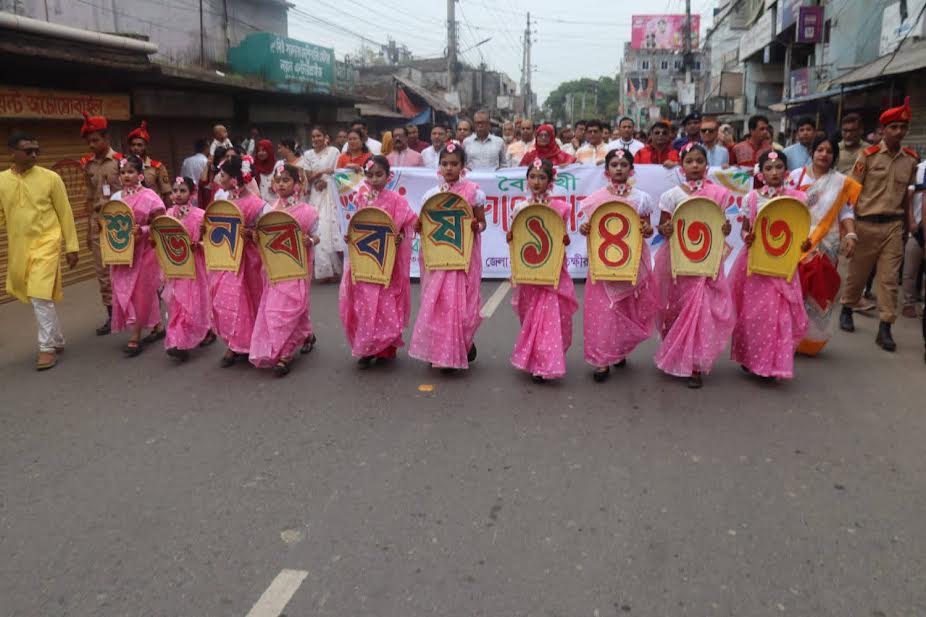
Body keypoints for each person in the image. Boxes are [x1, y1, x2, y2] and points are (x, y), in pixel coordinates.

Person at [839, 97, 920, 352]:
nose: (899, 132)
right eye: (894, 127)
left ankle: (885, 327)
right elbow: (851, 193)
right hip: (865, 224)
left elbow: (908, 196)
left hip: (893, 226)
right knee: (858, 275)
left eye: (903, 127)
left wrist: (909, 225)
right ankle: (847, 307)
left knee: (888, 279)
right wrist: (849, 230)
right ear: (883, 130)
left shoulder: (910, 159)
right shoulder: (868, 156)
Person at [654, 143, 735, 388]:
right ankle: (677, 352)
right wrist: (665, 229)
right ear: (682, 166)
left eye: (700, 161)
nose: (695, 166)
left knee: (700, 310)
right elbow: (662, 227)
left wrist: (726, 230)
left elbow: (722, 226)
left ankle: (695, 366)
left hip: (707, 261)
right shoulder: (672, 195)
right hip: (679, 260)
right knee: (677, 309)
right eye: (689, 161)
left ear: (706, 164)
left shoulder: (718, 194)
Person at [0, 132, 79, 370]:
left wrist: (71, 246)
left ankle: (46, 348)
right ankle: (57, 339)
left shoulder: (51, 178)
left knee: (39, 296)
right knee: (39, 297)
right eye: (28, 151)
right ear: (12, 152)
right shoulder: (2, 180)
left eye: (37, 150)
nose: (34, 154)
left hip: (47, 243)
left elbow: (65, 213)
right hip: (20, 248)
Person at [577, 148, 658, 382]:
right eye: (614, 164)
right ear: (607, 170)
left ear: (631, 169)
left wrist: (647, 229)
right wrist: (584, 228)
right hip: (603, 263)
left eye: (624, 164)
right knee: (603, 311)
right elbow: (588, 227)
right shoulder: (595, 200)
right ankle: (601, 361)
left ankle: (618, 348)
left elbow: (649, 228)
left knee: (625, 309)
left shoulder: (641, 198)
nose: (619, 168)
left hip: (631, 262)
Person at [729, 150, 810, 381]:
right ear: (761, 173)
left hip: (783, 266)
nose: (774, 172)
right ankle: (750, 357)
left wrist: (806, 243)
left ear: (786, 171)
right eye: (768, 168)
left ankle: (773, 363)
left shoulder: (798, 199)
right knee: (754, 314)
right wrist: (747, 236)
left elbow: (803, 232)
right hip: (756, 265)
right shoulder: (752, 199)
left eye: (778, 167)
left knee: (780, 316)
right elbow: (745, 228)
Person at [409, 141, 487, 372]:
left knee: (462, 306)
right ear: (439, 166)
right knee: (438, 304)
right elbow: (423, 227)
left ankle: (461, 344)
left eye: (454, 164)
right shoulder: (431, 195)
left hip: (462, 258)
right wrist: (418, 225)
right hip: (438, 258)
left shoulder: (474, 193)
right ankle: (441, 351)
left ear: (463, 166)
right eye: (444, 164)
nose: (449, 168)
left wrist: (476, 225)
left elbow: (482, 223)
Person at [339, 156, 418, 367]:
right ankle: (366, 348)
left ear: (388, 176)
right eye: (370, 175)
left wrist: (400, 237)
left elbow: (408, 225)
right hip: (365, 261)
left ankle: (384, 347)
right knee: (364, 305)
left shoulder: (396, 200)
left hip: (387, 264)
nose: (374, 179)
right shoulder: (361, 199)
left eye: (379, 175)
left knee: (384, 304)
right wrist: (351, 237)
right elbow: (358, 224)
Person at [504, 159, 578, 383]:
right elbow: (515, 237)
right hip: (529, 269)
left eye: (542, 177)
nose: (537, 182)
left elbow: (562, 238)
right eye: (533, 177)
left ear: (551, 181)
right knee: (531, 314)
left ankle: (546, 363)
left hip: (552, 269)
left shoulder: (562, 208)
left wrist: (565, 238)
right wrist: (510, 236)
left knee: (551, 314)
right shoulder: (520, 207)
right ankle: (535, 357)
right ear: (527, 180)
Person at [787, 135, 860, 356]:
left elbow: (846, 211)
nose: (824, 154)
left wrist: (851, 235)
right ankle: (788, 337)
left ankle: (809, 341)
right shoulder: (795, 176)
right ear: (812, 152)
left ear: (834, 156)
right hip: (797, 240)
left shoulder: (840, 182)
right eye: (820, 150)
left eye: (829, 151)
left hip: (827, 242)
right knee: (793, 289)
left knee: (818, 289)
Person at [249, 164, 319, 375]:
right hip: (274, 269)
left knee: (292, 306)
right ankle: (298, 341)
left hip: (297, 267)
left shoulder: (308, 212)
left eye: (286, 180)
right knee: (277, 308)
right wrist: (254, 236)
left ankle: (286, 352)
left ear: (297, 184)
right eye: (278, 180)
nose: (280, 184)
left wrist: (310, 240)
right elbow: (262, 238)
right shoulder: (268, 210)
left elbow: (317, 236)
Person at [106, 155, 166, 356]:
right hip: (122, 254)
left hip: (145, 251)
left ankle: (136, 335)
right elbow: (108, 223)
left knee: (141, 291)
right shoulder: (116, 198)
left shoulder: (150, 196)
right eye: (122, 172)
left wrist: (144, 230)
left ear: (140, 175)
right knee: (123, 290)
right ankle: (156, 326)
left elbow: (160, 224)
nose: (126, 176)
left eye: (130, 172)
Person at [210, 155, 266, 367]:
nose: (219, 177)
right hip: (226, 259)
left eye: (222, 174)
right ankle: (234, 342)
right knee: (226, 298)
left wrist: (251, 233)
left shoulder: (256, 204)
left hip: (249, 260)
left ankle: (248, 341)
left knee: (249, 298)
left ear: (234, 179)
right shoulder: (222, 201)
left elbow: (267, 232)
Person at [162, 177, 214, 361]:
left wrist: (198, 244)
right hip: (176, 268)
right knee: (177, 304)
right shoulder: (168, 215)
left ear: (192, 194)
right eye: (175, 190)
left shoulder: (200, 216)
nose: (177, 194)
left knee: (195, 302)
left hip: (195, 267)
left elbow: (209, 242)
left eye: (182, 190)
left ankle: (204, 329)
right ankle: (179, 342)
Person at [80, 111, 122, 335]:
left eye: (95, 140)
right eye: (89, 141)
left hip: (121, 223)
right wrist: (88, 229)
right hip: (98, 223)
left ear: (106, 138)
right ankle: (112, 316)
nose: (91, 144)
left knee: (128, 268)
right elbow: (88, 198)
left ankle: (143, 310)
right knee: (102, 272)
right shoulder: (88, 166)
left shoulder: (121, 162)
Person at [304, 126, 344, 282]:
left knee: (329, 230)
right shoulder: (308, 155)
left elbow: (338, 173)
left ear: (325, 137)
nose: (315, 139)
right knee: (318, 229)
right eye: (313, 136)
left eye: (318, 136)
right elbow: (308, 177)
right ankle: (324, 271)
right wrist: (321, 174)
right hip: (316, 195)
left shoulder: (334, 152)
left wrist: (327, 181)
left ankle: (333, 271)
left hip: (330, 194)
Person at [902, 159, 926, 318]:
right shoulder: (919, 169)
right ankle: (908, 303)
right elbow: (909, 197)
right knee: (910, 270)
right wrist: (910, 221)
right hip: (917, 227)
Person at [126, 123, 173, 203]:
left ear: (146, 146)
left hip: (153, 209)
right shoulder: (124, 166)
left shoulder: (157, 167)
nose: (136, 148)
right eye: (133, 145)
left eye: (139, 145)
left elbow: (167, 193)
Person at [253, 139, 277, 203]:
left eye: (264, 150)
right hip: (258, 204)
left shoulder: (277, 167)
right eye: (258, 151)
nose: (260, 153)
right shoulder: (253, 167)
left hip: (275, 204)